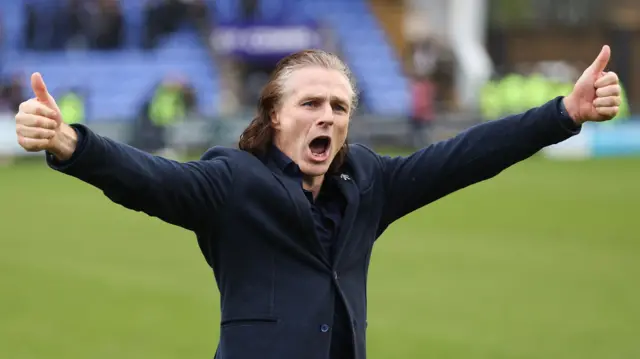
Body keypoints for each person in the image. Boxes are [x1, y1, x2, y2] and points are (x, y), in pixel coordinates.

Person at [14, 47, 621, 359]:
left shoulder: (367, 181)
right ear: (275, 116)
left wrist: (563, 114)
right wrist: (72, 144)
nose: (326, 114)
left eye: (338, 106)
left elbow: (462, 157)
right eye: (310, 103)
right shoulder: (233, 181)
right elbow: (150, 180)